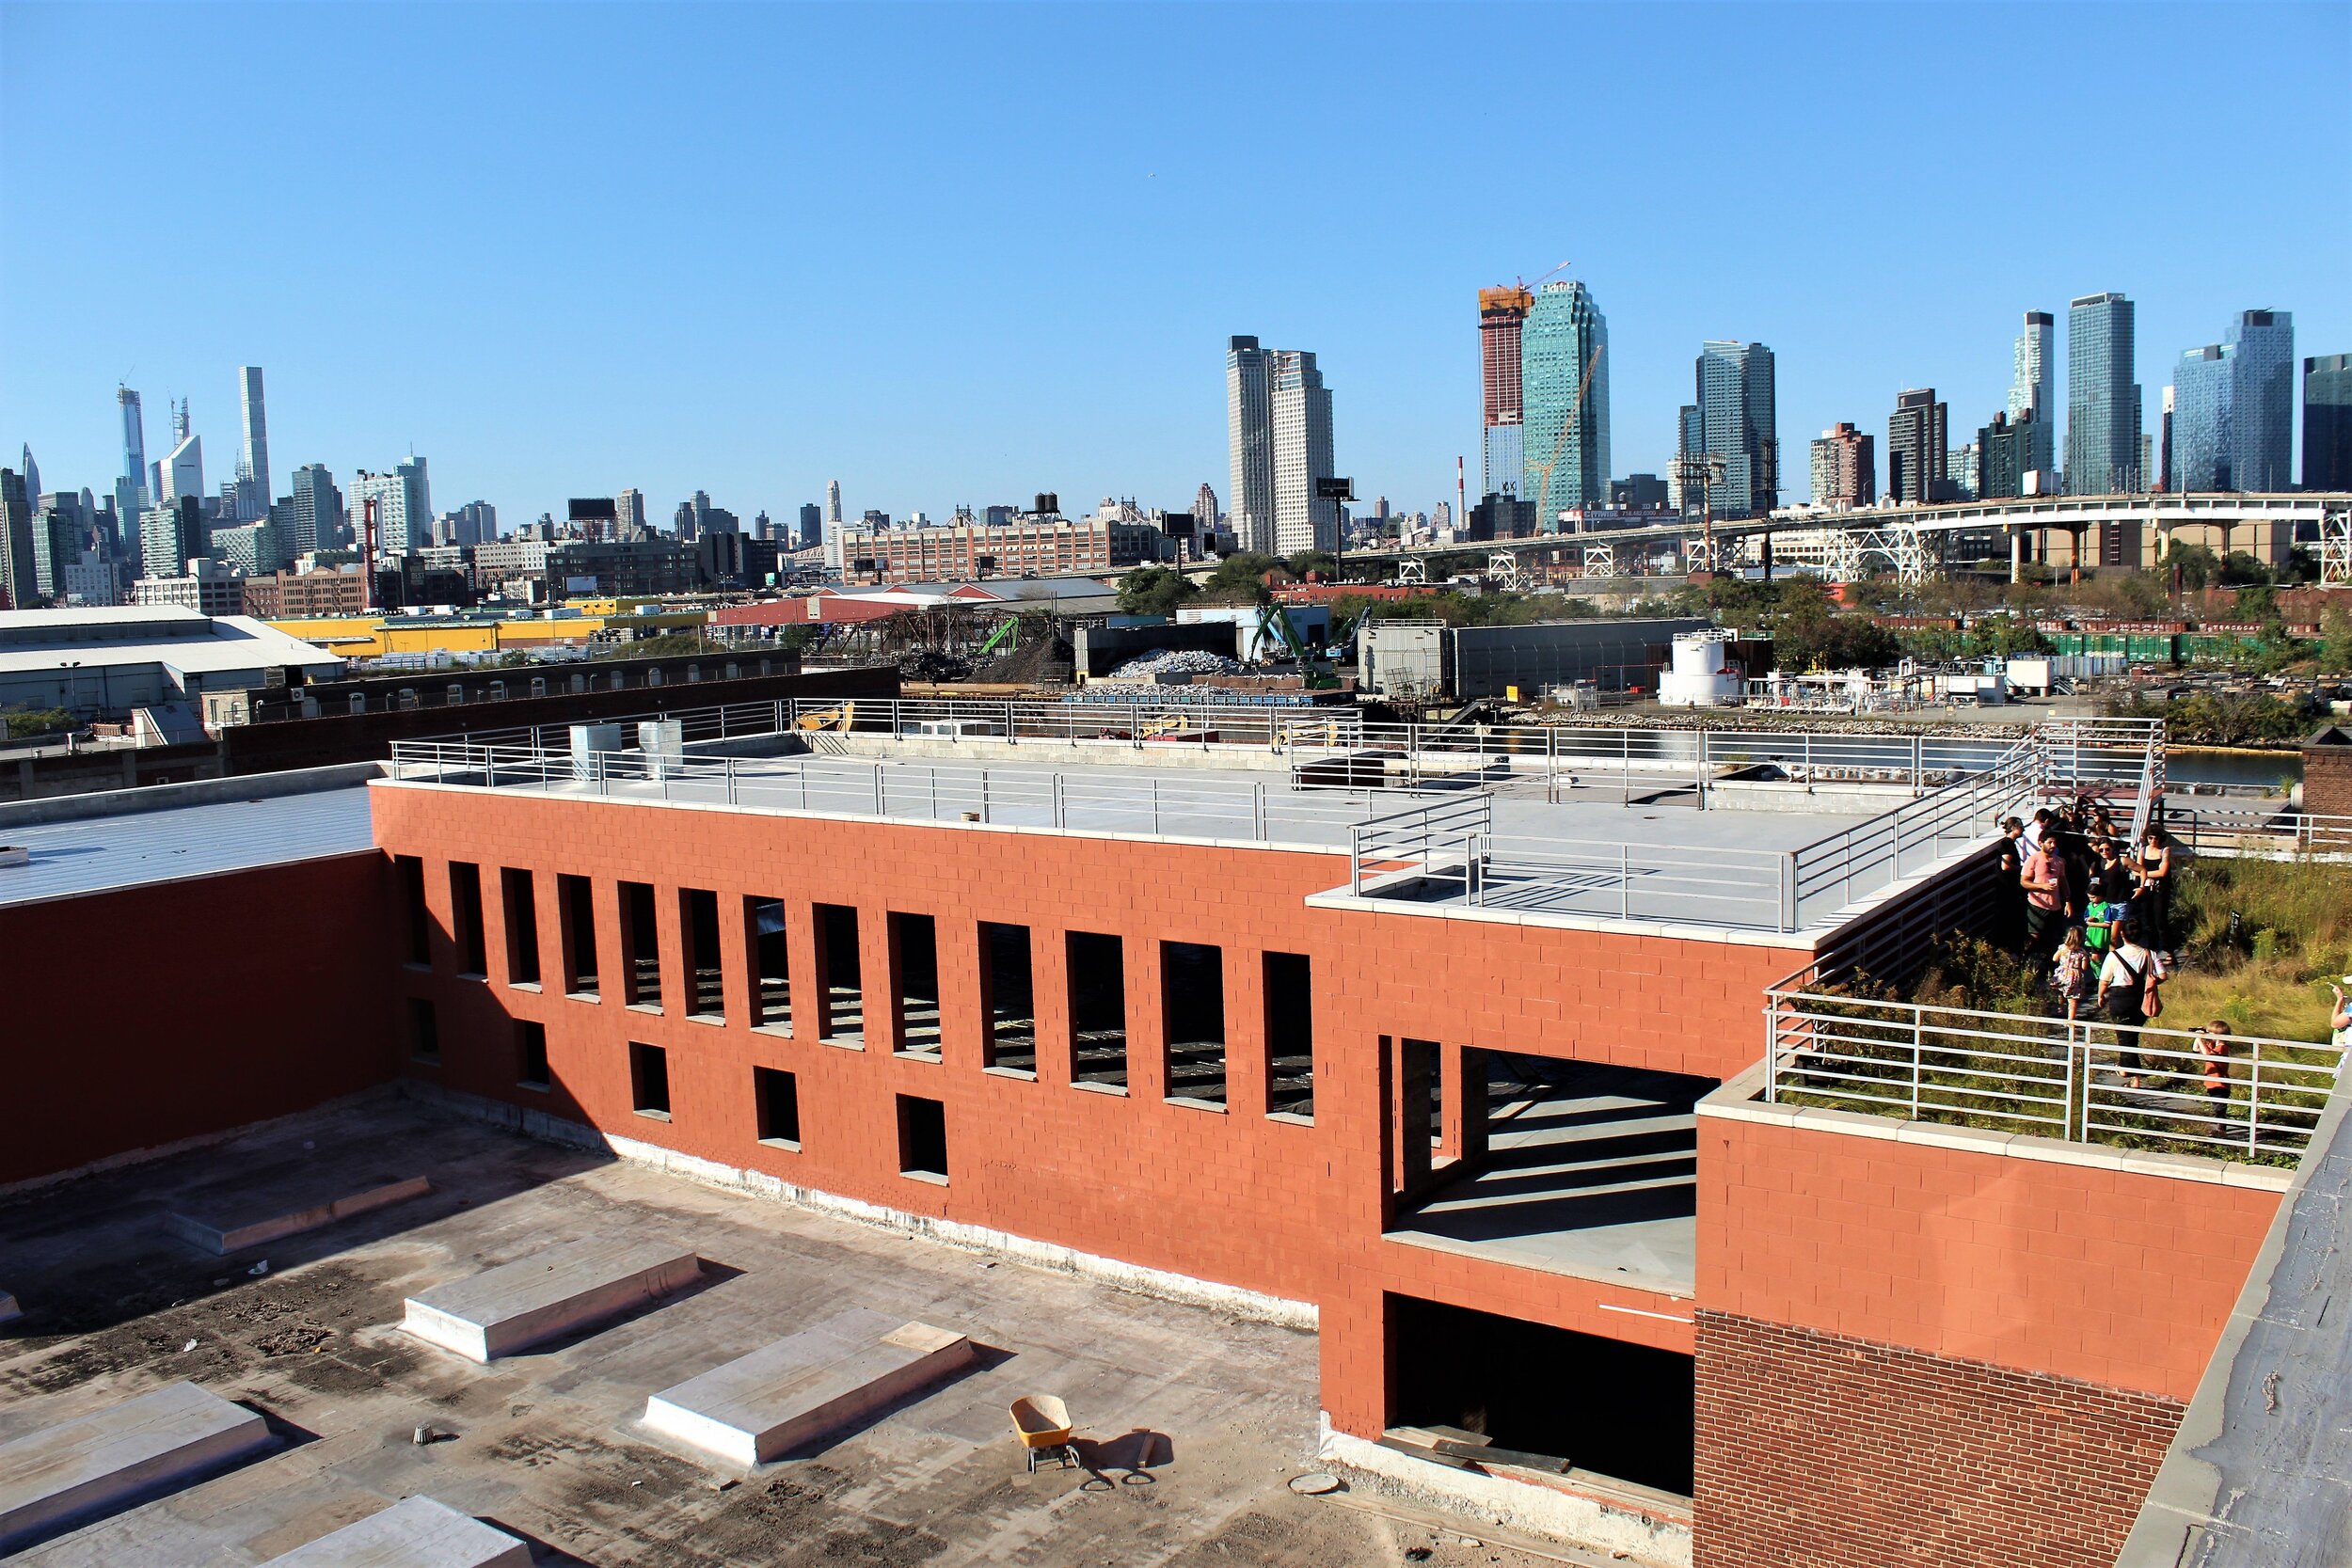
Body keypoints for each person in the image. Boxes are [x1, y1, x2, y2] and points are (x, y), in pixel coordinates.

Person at [2097, 919, 2169, 1089]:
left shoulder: (2114, 956)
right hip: (2140, 997)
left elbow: (2104, 980)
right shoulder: (2149, 954)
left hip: (2119, 997)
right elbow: (2163, 975)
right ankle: (2129, 1072)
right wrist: (2152, 982)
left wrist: (2100, 996)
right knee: (2131, 1037)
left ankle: (2128, 1072)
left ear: (2122, 934)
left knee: (2124, 1037)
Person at [2022, 829, 2070, 974]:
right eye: (2049, 842)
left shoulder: (2059, 861)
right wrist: (2041, 886)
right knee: (2034, 937)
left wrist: (2068, 900)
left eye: (2055, 842)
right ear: (2041, 843)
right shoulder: (2034, 859)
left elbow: (2063, 881)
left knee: (2053, 939)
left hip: (2055, 905)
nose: (2053, 845)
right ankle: (2027, 969)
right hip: (2037, 905)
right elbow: (2024, 882)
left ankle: (2049, 969)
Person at [2135, 827, 2174, 951]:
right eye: (2150, 838)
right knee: (2147, 919)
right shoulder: (2142, 851)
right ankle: (2152, 948)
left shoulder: (2164, 851)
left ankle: (2168, 950)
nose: (2153, 841)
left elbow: (2162, 872)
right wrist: (2145, 875)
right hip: (2146, 888)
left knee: (2160, 920)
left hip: (2160, 889)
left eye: (2156, 838)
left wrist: (2145, 873)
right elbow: (2136, 870)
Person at [2050, 927, 2092, 1032]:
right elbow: (2084, 967)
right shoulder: (2082, 952)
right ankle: (2071, 1020)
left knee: (2059, 989)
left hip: (2062, 974)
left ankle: (2060, 1007)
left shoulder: (2062, 948)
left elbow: (2054, 958)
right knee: (2073, 999)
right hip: (2074, 976)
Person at [2193, 1021, 2233, 1127]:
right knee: (2216, 1105)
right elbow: (2196, 1049)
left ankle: (2221, 1128)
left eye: (2211, 1033)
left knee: (2219, 1108)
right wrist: (2198, 1038)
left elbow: (2208, 1055)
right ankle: (2220, 1125)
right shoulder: (2212, 1045)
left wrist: (2200, 1039)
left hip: (2220, 1083)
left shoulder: (2222, 1047)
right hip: (2212, 1082)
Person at [1996, 818, 2027, 951]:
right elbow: (2005, 866)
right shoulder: (2007, 844)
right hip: (2007, 886)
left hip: (2009, 886)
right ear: (2014, 827)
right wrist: (2021, 869)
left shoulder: (2009, 843)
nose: (2023, 830)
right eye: (2021, 827)